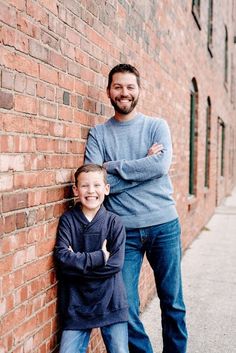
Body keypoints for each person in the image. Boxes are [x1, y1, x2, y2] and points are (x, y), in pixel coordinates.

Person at [84, 63, 188, 353]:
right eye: (118, 87)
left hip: (164, 225)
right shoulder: (98, 134)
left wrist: (113, 168)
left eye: (130, 87)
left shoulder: (157, 126)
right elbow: (95, 184)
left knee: (173, 303)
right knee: (124, 308)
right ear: (109, 91)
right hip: (123, 232)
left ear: (139, 91)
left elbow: (161, 166)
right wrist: (145, 166)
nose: (124, 92)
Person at [54, 163, 129, 353]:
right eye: (85, 185)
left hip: (111, 299)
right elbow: (63, 260)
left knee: (120, 350)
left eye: (96, 185)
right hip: (76, 302)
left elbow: (115, 264)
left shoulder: (114, 222)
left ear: (106, 189)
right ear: (75, 189)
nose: (91, 191)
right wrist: (100, 256)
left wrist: (77, 265)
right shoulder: (68, 221)